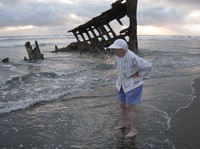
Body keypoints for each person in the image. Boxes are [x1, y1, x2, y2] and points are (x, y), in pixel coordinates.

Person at [108, 39, 152, 138]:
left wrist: (139, 74)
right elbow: (119, 70)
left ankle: (133, 130)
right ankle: (123, 124)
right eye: (113, 49)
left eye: (115, 49)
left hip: (133, 84)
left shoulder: (132, 56)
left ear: (122, 49)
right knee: (122, 104)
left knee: (129, 107)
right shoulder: (117, 56)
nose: (113, 51)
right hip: (122, 83)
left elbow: (148, 66)